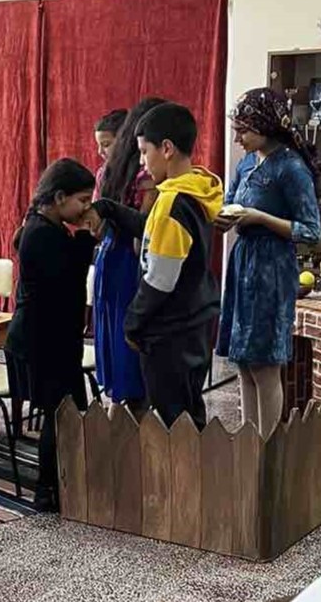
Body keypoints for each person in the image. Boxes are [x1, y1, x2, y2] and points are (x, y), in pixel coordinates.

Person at [93, 102, 223, 429]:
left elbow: (160, 279)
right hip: (193, 321)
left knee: (174, 423)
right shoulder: (194, 190)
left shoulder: (171, 203)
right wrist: (109, 208)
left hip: (171, 332)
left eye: (143, 151)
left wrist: (133, 323)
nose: (141, 161)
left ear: (166, 148)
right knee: (188, 413)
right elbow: (150, 229)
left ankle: (182, 466)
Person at [215, 88, 321, 439]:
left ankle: (270, 446)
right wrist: (223, 218)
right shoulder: (246, 163)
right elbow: (231, 202)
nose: (238, 139)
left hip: (273, 268)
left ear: (265, 125)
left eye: (243, 130)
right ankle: (249, 440)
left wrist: (260, 217)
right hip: (243, 262)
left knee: (264, 365)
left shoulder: (291, 168)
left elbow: (311, 230)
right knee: (244, 363)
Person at [5, 158, 98, 512]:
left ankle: (65, 480)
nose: (86, 208)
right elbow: (71, 276)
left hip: (54, 338)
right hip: (42, 341)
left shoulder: (47, 226)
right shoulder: (41, 233)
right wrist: (86, 235)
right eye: (82, 200)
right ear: (59, 198)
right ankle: (46, 491)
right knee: (60, 415)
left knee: (68, 412)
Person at [92, 97, 165, 406]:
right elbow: (144, 231)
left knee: (114, 332)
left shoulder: (107, 172)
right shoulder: (145, 175)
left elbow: (96, 224)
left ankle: (119, 407)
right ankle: (135, 410)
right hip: (130, 261)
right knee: (132, 339)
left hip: (108, 255)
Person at [92, 108, 127, 196]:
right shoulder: (102, 174)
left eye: (106, 144)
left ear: (124, 141)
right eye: (98, 145)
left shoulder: (142, 174)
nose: (100, 151)